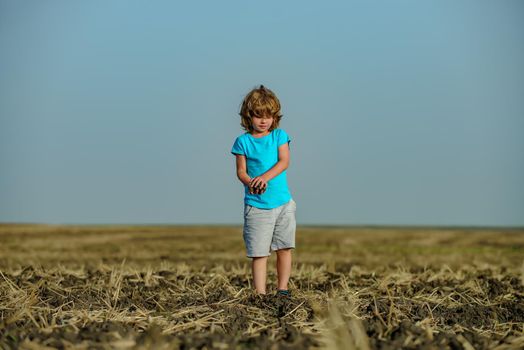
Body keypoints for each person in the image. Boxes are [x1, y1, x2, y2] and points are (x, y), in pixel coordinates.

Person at [231, 84, 296, 297]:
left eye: (268, 115)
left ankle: (283, 289)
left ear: (274, 116)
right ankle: (260, 294)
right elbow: (241, 171)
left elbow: (284, 161)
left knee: (284, 248)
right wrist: (251, 182)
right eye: (258, 115)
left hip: (283, 204)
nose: (263, 120)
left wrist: (264, 178)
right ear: (249, 116)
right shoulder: (243, 142)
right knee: (259, 253)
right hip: (256, 206)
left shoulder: (279, 136)